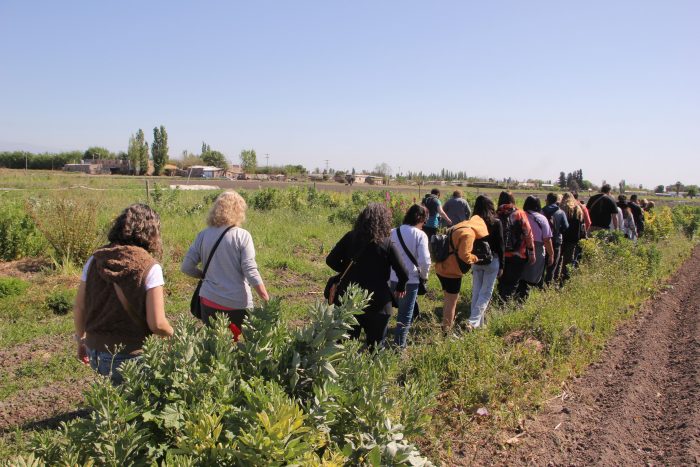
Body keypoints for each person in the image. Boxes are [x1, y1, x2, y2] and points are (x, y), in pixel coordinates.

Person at [73, 204, 174, 385]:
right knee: (137, 406)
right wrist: (174, 335)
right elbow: (157, 324)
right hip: (130, 357)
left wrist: (82, 341)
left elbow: (80, 306)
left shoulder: (95, 260)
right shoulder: (150, 267)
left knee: (116, 403)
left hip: (95, 352)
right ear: (152, 233)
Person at [182, 191, 269, 330]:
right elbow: (250, 270)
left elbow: (186, 267)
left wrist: (203, 274)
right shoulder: (242, 236)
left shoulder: (203, 235)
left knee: (214, 345)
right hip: (237, 304)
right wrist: (265, 297)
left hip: (208, 301)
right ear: (239, 211)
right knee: (236, 345)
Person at [326, 203, 408, 349]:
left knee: (345, 346)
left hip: (349, 299)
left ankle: (345, 371)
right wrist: (401, 286)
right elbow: (403, 272)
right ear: (384, 221)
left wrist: (346, 270)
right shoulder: (387, 243)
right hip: (378, 303)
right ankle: (374, 371)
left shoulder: (350, 237)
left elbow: (330, 260)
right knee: (376, 347)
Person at [434, 211, 488, 332]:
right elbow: (464, 255)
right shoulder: (469, 234)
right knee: (452, 302)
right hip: (452, 272)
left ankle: (445, 323)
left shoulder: (457, 226)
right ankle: (446, 330)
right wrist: (476, 258)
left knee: (447, 298)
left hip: (441, 267)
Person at [389, 204, 431, 348]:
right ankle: (399, 347)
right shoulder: (420, 235)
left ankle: (380, 342)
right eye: (424, 221)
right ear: (420, 219)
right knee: (405, 316)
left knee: (388, 312)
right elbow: (425, 261)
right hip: (410, 281)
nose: (424, 225)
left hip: (391, 279)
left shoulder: (393, 232)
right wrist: (424, 277)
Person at [469, 195, 504, 328]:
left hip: (476, 260)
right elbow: (501, 246)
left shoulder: (472, 222)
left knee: (476, 293)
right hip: (492, 260)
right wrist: (502, 265)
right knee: (485, 294)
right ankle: (472, 322)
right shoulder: (496, 222)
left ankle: (479, 326)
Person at [496, 191, 535, 302]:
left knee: (502, 281)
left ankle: (501, 301)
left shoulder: (496, 214)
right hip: (518, 254)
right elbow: (528, 234)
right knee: (512, 283)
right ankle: (504, 306)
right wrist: (531, 253)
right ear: (512, 200)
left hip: (501, 255)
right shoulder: (519, 214)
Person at [517, 196, 554, 300]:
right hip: (537, 248)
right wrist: (551, 254)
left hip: (520, 247)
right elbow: (547, 239)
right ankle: (524, 298)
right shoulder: (542, 218)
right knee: (532, 275)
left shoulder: (520, 215)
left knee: (520, 274)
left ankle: (517, 295)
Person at [542, 193, 569, 285]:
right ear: (557, 201)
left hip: (542, 241)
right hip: (556, 241)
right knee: (552, 265)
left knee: (542, 265)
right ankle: (548, 285)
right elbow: (566, 227)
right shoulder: (561, 212)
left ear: (547, 200)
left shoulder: (541, 211)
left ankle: (539, 283)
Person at [560, 193, 584, 283]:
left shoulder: (562, 208)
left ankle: (555, 277)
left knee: (559, 259)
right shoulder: (578, 209)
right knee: (569, 259)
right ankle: (565, 279)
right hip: (574, 237)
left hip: (563, 236)